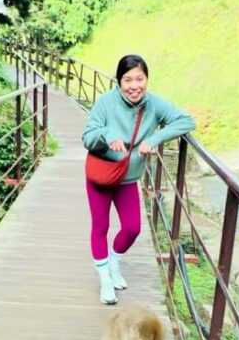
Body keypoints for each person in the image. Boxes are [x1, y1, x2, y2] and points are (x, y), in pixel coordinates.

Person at [81, 54, 196, 305]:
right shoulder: (106, 103)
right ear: (119, 81)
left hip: (128, 178)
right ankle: (104, 280)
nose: (135, 85)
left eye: (140, 79)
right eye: (128, 79)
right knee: (100, 226)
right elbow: (87, 137)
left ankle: (113, 262)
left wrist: (154, 139)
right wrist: (107, 134)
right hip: (101, 175)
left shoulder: (152, 104)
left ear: (146, 79)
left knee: (132, 228)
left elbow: (187, 121)